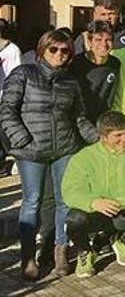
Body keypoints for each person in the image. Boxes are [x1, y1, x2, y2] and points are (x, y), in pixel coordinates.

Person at [0, 29, 97, 280]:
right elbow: (7, 109)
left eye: (65, 50)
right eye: (53, 49)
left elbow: (79, 118)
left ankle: (60, 252)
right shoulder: (23, 73)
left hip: (64, 149)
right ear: (42, 49)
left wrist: (98, 139)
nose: (59, 54)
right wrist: (22, 139)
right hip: (31, 151)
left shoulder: (71, 83)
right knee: (33, 201)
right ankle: (29, 256)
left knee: (65, 200)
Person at [61, 111, 125, 277]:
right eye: (118, 135)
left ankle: (123, 241)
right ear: (103, 136)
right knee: (73, 221)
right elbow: (70, 191)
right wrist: (93, 202)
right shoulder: (83, 158)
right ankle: (85, 251)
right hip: (98, 212)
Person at [69, 21, 121, 124]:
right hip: (79, 123)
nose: (104, 44)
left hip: (103, 123)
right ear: (89, 41)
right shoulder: (76, 64)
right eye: (98, 39)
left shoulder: (115, 64)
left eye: (108, 40)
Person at [0, 18, 22, 174]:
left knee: (5, 134)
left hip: (5, 99)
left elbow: (16, 76)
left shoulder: (12, 50)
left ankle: (17, 160)